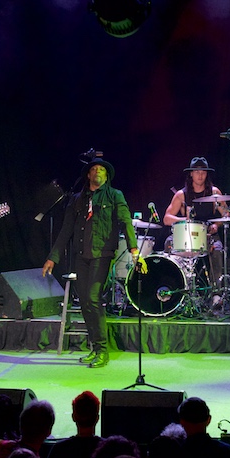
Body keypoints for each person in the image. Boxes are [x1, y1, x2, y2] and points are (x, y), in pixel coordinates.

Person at [42, 157, 139, 368]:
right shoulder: (77, 199)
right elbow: (66, 229)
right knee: (85, 301)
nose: (97, 172)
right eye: (94, 169)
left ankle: (103, 350)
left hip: (102, 254)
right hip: (81, 255)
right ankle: (95, 348)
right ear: (88, 175)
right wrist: (53, 257)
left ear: (107, 176)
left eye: (101, 170)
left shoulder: (115, 195)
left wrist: (133, 248)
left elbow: (125, 220)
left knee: (94, 298)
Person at [162, 156, 230, 292]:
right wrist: (183, 220)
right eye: (197, 172)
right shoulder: (182, 195)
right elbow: (166, 219)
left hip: (208, 236)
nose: (200, 175)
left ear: (207, 174)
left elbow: (226, 214)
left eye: (203, 172)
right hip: (187, 236)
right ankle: (173, 289)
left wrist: (216, 225)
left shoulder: (214, 192)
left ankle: (216, 294)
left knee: (217, 250)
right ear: (191, 173)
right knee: (168, 244)